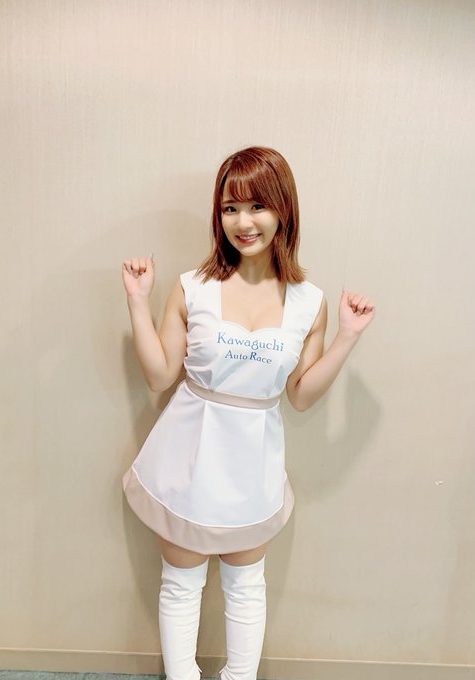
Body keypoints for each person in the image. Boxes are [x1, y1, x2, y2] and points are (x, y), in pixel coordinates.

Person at [121, 146, 375, 680]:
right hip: (188, 455)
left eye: (257, 205)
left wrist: (346, 338)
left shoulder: (309, 302)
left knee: (246, 587)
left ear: (283, 209)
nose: (243, 222)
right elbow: (161, 376)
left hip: (252, 460)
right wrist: (138, 302)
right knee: (181, 585)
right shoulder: (193, 287)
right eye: (230, 208)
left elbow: (300, 395)